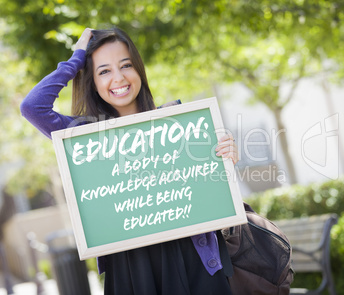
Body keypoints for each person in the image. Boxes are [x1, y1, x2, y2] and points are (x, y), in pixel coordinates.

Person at [21, 27, 239, 295]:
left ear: (138, 70)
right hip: (130, 268)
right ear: (91, 80)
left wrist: (225, 159)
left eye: (126, 65)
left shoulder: (178, 121)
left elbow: (209, 191)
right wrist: (77, 57)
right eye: (104, 71)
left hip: (193, 257)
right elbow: (33, 107)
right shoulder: (84, 135)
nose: (118, 77)